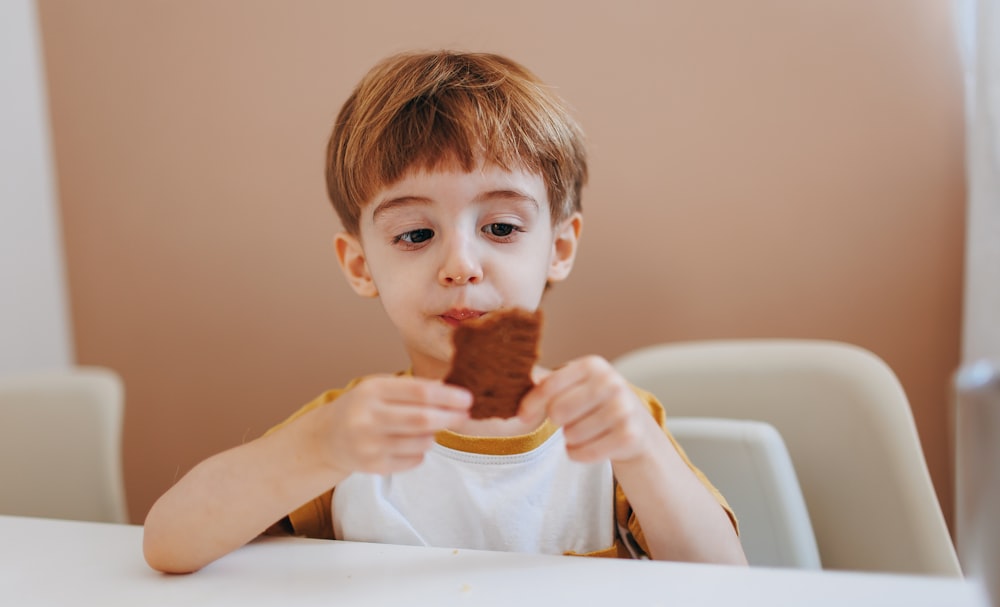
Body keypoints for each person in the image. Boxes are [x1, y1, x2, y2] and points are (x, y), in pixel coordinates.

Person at [142, 50, 747, 574]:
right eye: (414, 234)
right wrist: (315, 449)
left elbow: (724, 581)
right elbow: (168, 544)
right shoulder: (348, 435)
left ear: (558, 249)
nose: (460, 263)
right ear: (359, 266)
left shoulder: (608, 426)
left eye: (502, 227)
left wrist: (640, 450)